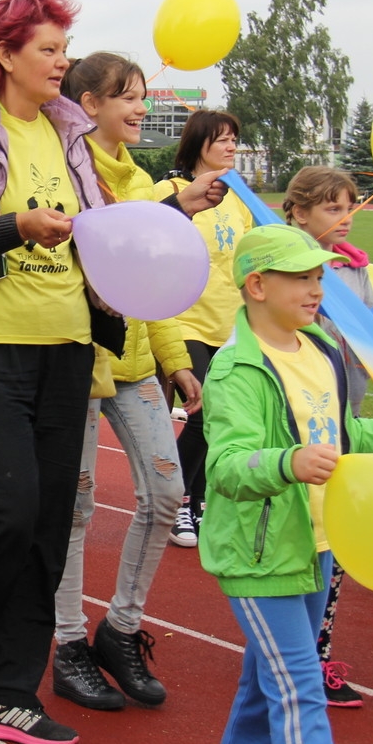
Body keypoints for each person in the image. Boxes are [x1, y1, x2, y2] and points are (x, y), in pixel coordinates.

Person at [0, 0, 226, 744]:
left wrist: (175, 211)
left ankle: (9, 693)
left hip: (69, 353)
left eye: (64, 49)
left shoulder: (67, 133)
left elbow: (100, 230)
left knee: (47, 529)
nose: (62, 62)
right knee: (1, 516)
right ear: (5, 54)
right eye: (48, 49)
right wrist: (15, 227)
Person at [202, 223, 373, 744]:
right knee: (300, 687)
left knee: (271, 677)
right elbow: (225, 466)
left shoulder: (321, 348)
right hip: (260, 554)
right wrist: (288, 462)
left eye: (319, 277)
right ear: (257, 286)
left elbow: (334, 431)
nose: (317, 289)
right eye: (302, 279)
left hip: (316, 542)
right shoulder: (237, 368)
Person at [50, 53, 202, 712]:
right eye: (128, 97)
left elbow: (155, 283)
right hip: (82, 364)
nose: (141, 108)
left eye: (142, 97)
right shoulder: (70, 170)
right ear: (88, 103)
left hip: (137, 363)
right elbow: (108, 237)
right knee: (76, 511)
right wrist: (173, 201)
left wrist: (175, 360)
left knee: (167, 493)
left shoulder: (140, 176)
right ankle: (67, 644)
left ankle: (122, 628)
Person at [283, 165, 373, 708]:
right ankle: (297, 656)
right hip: (301, 422)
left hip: (346, 417)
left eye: (350, 207)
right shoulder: (287, 266)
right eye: (332, 208)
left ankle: (314, 655)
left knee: (333, 545)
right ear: (298, 211)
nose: (346, 218)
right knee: (301, 541)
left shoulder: (356, 269)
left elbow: (367, 338)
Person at [154, 110, 252, 548]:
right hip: (184, 318)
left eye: (235, 140)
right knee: (201, 415)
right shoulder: (170, 192)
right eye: (223, 140)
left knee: (223, 420)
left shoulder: (238, 198)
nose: (232, 147)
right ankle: (175, 500)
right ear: (199, 145)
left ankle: (196, 501)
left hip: (228, 323)